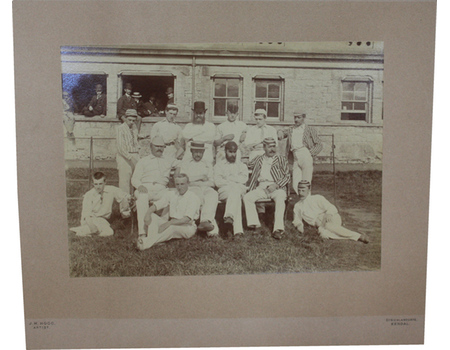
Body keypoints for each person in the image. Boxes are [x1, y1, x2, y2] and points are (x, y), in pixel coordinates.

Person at [137, 174, 201, 250]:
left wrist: (168, 223)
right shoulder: (172, 194)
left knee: (171, 228)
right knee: (153, 217)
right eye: (177, 184)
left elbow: (187, 219)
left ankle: (144, 244)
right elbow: (158, 204)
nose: (180, 187)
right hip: (173, 222)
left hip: (187, 227)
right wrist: (148, 213)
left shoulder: (193, 197)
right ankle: (156, 241)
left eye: (182, 184)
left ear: (188, 183)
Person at [292, 181, 370, 243]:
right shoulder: (297, 206)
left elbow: (331, 207)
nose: (301, 193)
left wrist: (328, 214)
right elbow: (297, 220)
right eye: (299, 190)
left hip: (331, 218)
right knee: (323, 234)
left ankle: (359, 236)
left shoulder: (317, 198)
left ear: (308, 191)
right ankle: (354, 236)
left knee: (328, 226)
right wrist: (299, 226)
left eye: (303, 190)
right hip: (320, 225)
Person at [243, 137, 290, 240]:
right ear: (264, 147)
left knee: (280, 198)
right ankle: (255, 224)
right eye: (269, 147)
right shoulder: (259, 159)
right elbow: (247, 164)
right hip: (262, 187)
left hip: (276, 187)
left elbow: (287, 176)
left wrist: (276, 185)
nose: (272, 149)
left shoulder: (281, 159)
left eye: (274, 146)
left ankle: (278, 229)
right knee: (247, 197)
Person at [131, 136, 175, 237]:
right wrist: (139, 186)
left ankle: (161, 227)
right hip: (145, 188)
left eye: (161, 146)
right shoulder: (143, 161)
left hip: (161, 189)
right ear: (151, 147)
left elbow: (182, 164)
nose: (159, 149)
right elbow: (134, 178)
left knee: (171, 196)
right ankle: (143, 231)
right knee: (142, 197)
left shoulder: (168, 160)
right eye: (157, 146)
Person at [175, 141, 219, 237]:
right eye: (196, 152)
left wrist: (194, 179)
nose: (198, 154)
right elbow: (184, 180)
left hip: (206, 187)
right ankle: (212, 230)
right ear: (191, 151)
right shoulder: (186, 164)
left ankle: (205, 221)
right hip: (192, 188)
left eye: (200, 152)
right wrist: (200, 177)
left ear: (203, 152)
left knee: (213, 194)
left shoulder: (208, 164)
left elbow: (212, 182)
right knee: (199, 197)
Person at [69, 172, 131, 237]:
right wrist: (92, 226)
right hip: (90, 219)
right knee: (97, 229)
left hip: (102, 220)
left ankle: (83, 232)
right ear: (93, 184)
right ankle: (85, 230)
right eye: (96, 184)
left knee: (110, 232)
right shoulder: (89, 195)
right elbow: (86, 214)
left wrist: (130, 200)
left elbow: (124, 196)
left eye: (100, 184)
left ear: (105, 182)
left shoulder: (111, 190)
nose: (98, 187)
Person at [278, 112, 322, 193]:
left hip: (305, 154)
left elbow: (319, 144)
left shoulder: (309, 129)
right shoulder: (291, 129)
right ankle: (302, 200)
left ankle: (306, 203)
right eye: (295, 117)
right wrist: (280, 132)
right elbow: (282, 134)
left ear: (303, 118)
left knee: (306, 182)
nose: (296, 120)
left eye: (298, 117)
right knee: (296, 183)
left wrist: (310, 153)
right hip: (295, 156)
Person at [214, 141, 248, 238]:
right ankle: (238, 231)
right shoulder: (219, 165)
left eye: (234, 152)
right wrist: (233, 182)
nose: (233, 154)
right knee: (235, 194)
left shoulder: (241, 165)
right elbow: (218, 182)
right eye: (230, 152)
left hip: (238, 188)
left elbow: (244, 179)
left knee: (235, 191)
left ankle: (229, 218)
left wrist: (227, 179)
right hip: (224, 190)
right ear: (225, 152)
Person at [116, 109, 140, 212]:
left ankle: (133, 205)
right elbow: (121, 148)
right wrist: (131, 158)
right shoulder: (120, 129)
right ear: (125, 118)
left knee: (134, 181)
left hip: (135, 155)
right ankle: (124, 209)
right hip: (124, 157)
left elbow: (134, 140)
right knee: (125, 182)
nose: (132, 122)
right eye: (129, 120)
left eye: (134, 120)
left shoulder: (134, 128)